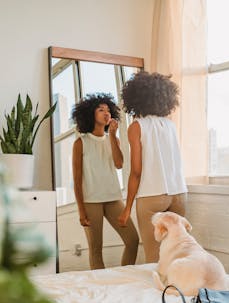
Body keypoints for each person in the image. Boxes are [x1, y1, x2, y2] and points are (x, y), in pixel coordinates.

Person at [118, 72, 187, 263]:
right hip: (179, 193)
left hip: (152, 195)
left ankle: (159, 292)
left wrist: (127, 208)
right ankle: (177, 290)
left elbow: (137, 171)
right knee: (177, 252)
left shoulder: (137, 126)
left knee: (153, 256)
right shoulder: (170, 125)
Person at [72, 93, 139, 270]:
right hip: (90, 201)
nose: (106, 113)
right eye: (101, 110)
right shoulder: (81, 142)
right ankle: (100, 289)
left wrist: (112, 136)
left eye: (108, 110)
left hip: (113, 198)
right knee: (96, 250)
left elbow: (119, 164)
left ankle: (124, 279)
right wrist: (81, 210)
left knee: (132, 240)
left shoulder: (113, 139)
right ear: (90, 114)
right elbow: (77, 180)